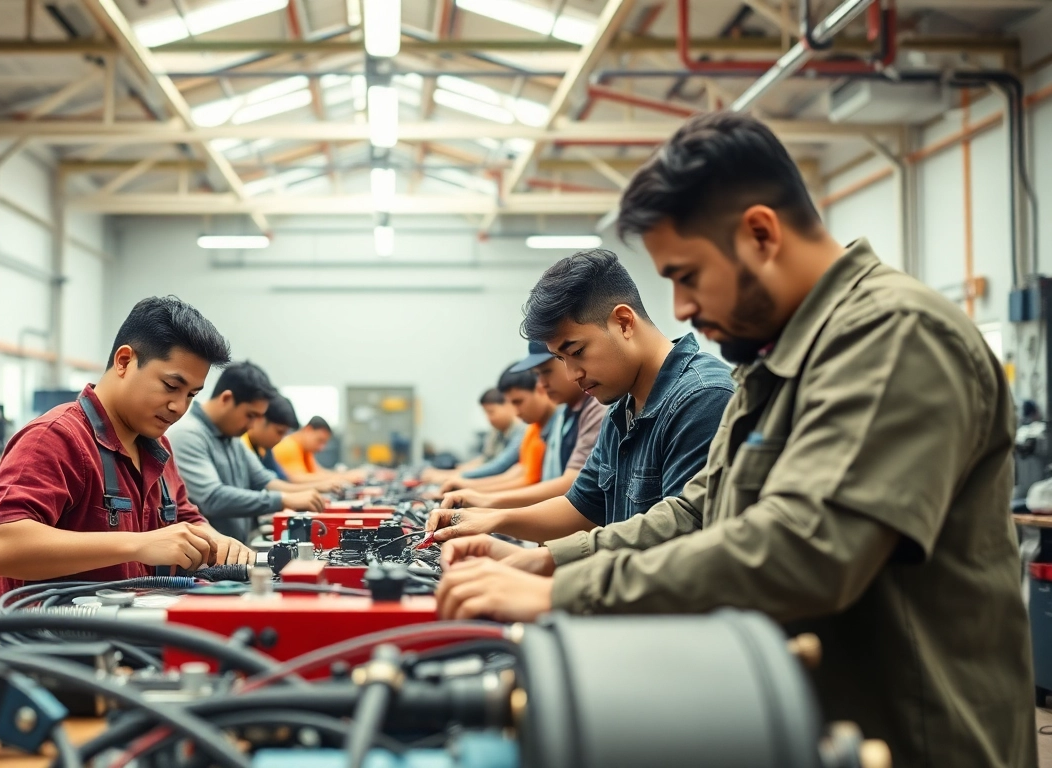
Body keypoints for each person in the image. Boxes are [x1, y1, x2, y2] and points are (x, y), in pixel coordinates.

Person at [435, 112, 1035, 768]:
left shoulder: (895, 336)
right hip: (811, 726)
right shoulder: (775, 361)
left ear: (759, 234)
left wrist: (563, 592)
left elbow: (805, 546)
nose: (683, 308)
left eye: (687, 276)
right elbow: (700, 510)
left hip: (913, 741)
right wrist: (549, 561)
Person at [427, 250, 733, 543]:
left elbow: (678, 539)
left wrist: (541, 563)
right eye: (561, 360)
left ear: (624, 322)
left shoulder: (702, 398)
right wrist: (490, 519)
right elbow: (582, 506)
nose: (573, 374)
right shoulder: (621, 410)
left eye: (577, 352)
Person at [0, 296, 253, 603]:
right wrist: (137, 545)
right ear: (124, 361)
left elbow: (185, 518)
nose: (179, 407)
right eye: (171, 386)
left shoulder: (158, 446)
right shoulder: (56, 438)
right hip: (52, 644)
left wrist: (213, 539)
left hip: (131, 636)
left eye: (191, 395)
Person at [165, 362, 331, 543]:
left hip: (236, 553)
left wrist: (310, 494)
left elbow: (265, 480)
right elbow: (212, 498)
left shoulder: (232, 438)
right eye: (250, 415)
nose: (252, 425)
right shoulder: (188, 434)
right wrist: (284, 500)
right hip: (205, 563)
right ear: (226, 399)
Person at [439, 342, 606, 507]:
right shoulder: (563, 415)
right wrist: (470, 490)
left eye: (546, 373)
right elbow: (520, 470)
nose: (542, 384)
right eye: (538, 376)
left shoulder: (593, 410)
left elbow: (567, 485)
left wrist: (481, 497)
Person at [444, 366, 556, 493]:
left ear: (540, 389)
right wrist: (467, 487)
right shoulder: (534, 429)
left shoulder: (525, 429)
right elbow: (520, 472)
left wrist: (471, 489)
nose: (516, 411)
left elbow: (504, 468)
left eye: (518, 402)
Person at [422, 389, 524, 483]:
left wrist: (449, 476)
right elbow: (485, 459)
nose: (489, 418)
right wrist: (459, 469)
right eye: (485, 413)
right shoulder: (497, 431)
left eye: (491, 412)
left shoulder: (521, 431)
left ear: (508, 405)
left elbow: (498, 466)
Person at [273, 416, 367, 485]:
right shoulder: (288, 446)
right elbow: (297, 479)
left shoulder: (305, 450)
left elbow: (318, 473)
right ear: (308, 430)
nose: (321, 448)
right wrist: (344, 478)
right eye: (320, 441)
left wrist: (346, 475)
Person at [244, 394, 299, 481]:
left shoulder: (264, 450)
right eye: (279, 432)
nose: (280, 439)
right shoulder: (241, 446)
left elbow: (280, 478)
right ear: (259, 418)